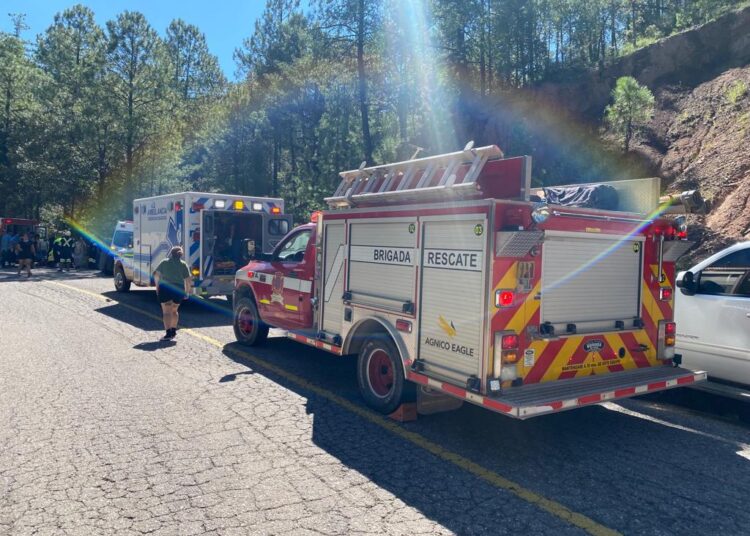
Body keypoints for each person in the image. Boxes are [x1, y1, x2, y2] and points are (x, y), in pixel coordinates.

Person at [153, 246, 192, 341]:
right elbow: (188, 279)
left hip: (166, 288)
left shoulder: (164, 262)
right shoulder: (183, 264)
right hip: (178, 289)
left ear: (171, 253)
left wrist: (157, 286)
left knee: (166, 312)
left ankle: (168, 334)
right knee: (174, 311)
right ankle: (173, 331)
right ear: (181, 255)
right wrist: (187, 292)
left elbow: (156, 274)